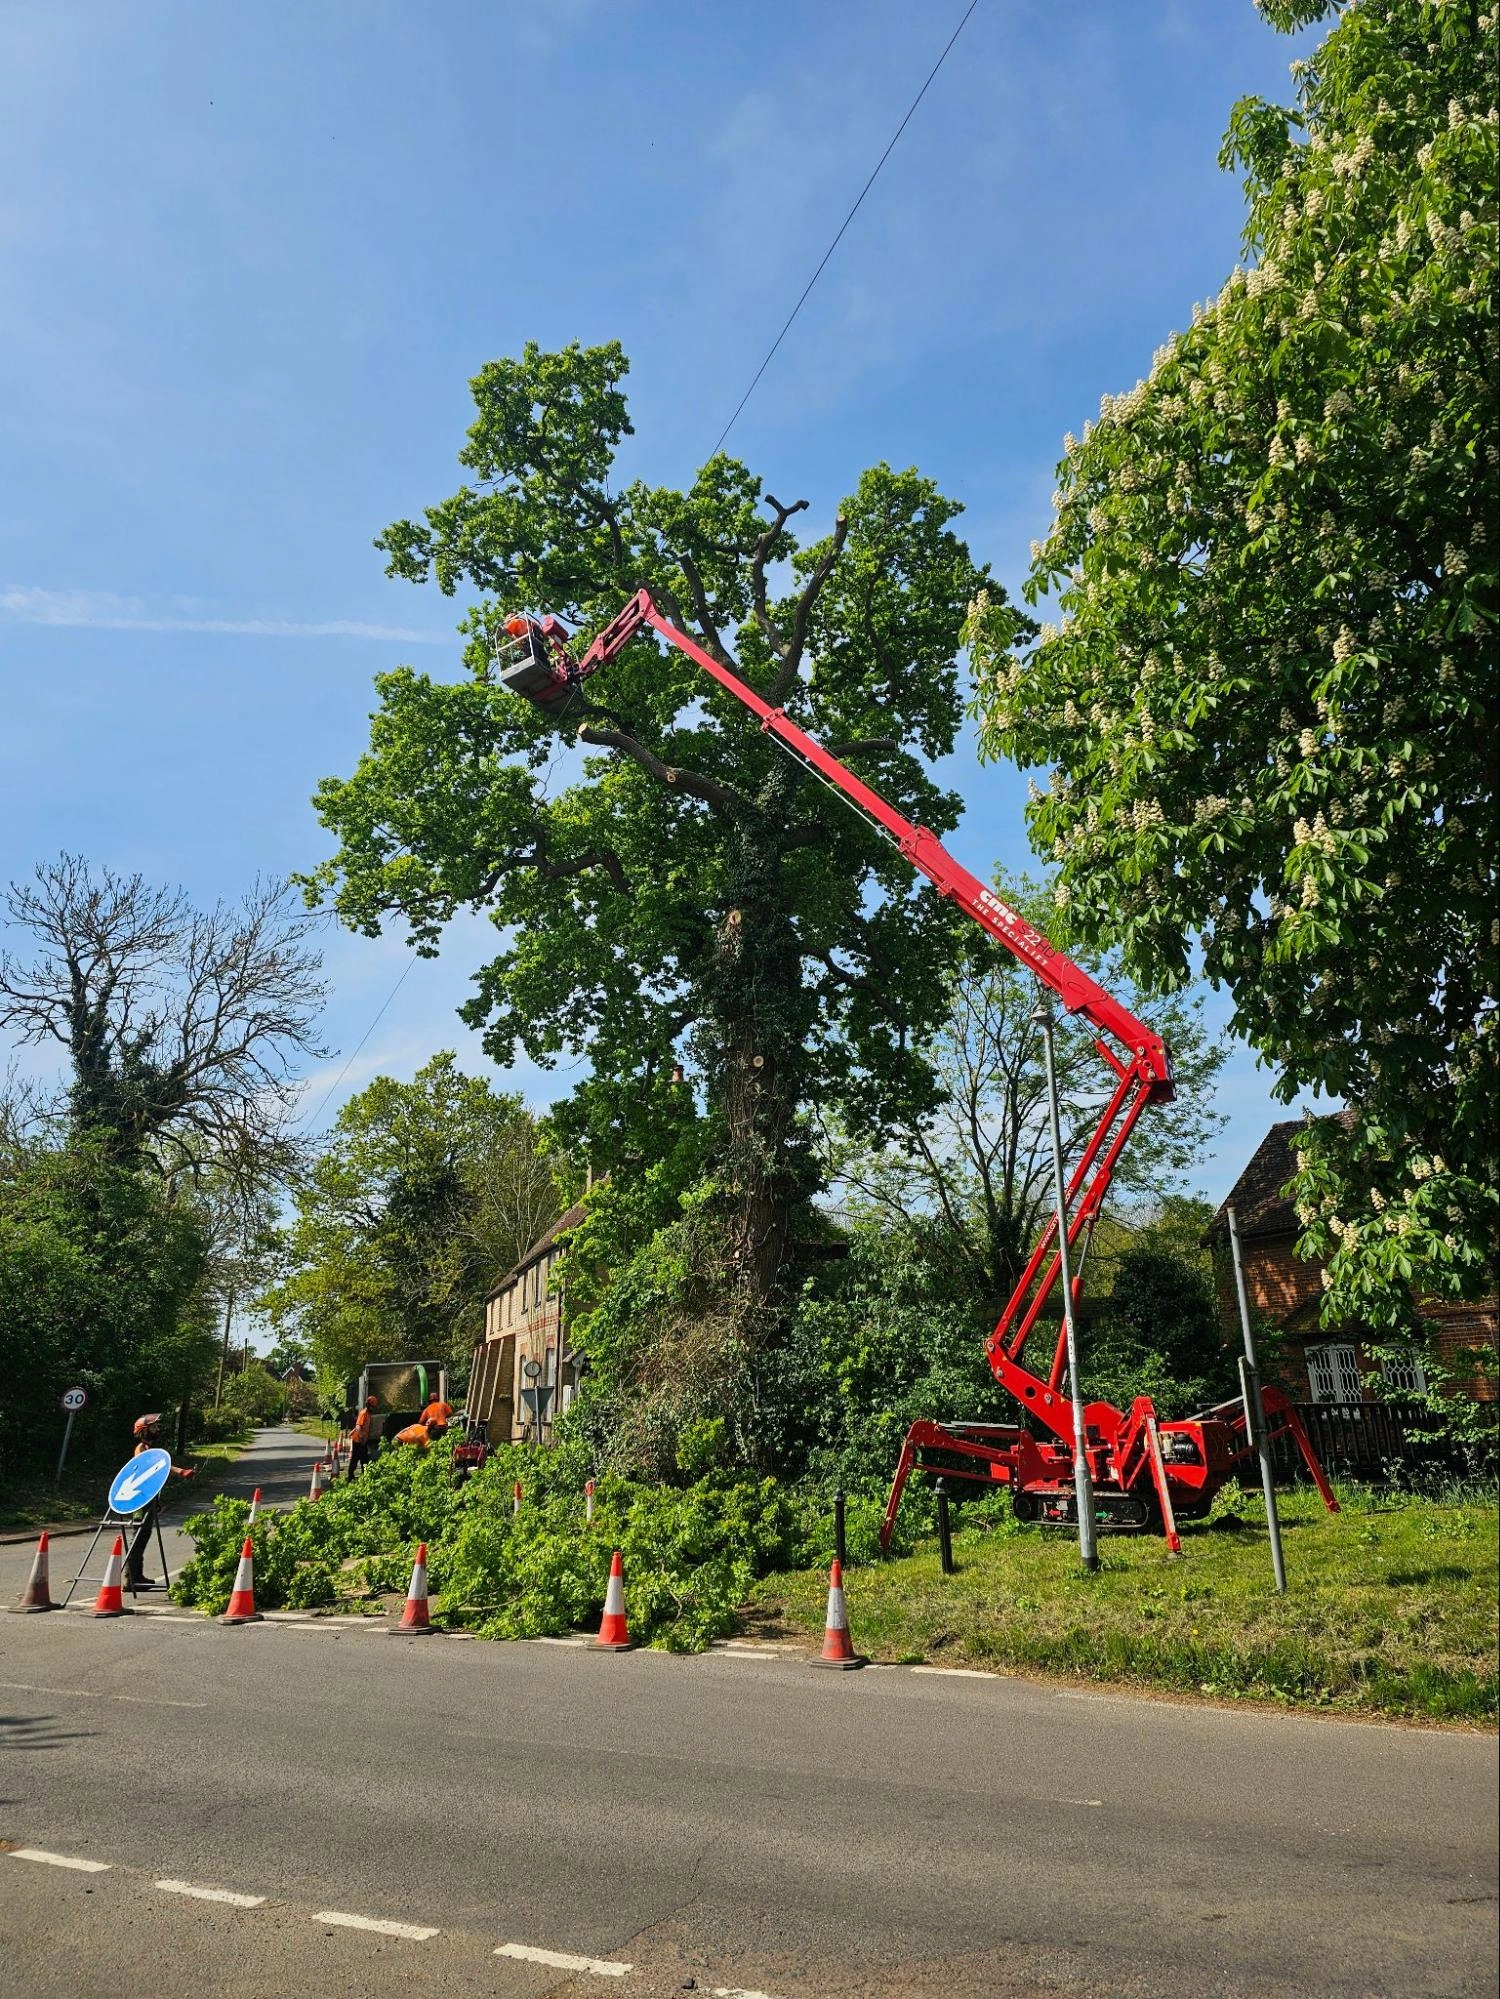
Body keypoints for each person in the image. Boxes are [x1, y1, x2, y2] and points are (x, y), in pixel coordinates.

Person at [124, 1414, 194, 1591]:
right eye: (154, 1427)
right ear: (144, 1431)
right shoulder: (141, 1449)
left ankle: (137, 1576)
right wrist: (180, 1471)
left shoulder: (149, 1448)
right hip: (140, 1500)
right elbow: (153, 1467)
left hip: (148, 1498)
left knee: (144, 1535)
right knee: (138, 1535)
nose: (157, 1430)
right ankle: (130, 1579)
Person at [347, 1394, 380, 1475]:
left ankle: (363, 1475)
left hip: (362, 1440)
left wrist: (352, 1432)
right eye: (373, 1407)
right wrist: (361, 1438)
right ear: (369, 1405)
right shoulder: (364, 1413)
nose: (373, 1409)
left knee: (364, 1458)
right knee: (355, 1458)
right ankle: (350, 1475)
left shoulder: (368, 1414)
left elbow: (358, 1426)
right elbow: (359, 1426)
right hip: (358, 1440)